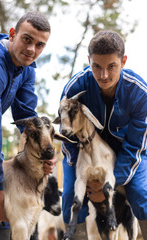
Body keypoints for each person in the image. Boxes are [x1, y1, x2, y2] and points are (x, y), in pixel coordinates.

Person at [60, 30, 147, 239]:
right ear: (89, 60)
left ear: (123, 61)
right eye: (96, 66)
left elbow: (136, 145)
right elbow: (67, 139)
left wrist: (109, 184)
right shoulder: (74, 88)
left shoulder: (139, 92)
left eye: (111, 66)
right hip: (83, 153)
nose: (103, 75)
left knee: (142, 195)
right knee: (70, 195)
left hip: (127, 153)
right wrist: (83, 175)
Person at [0, 11, 57, 240]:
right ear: (12, 34)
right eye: (27, 40)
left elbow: (27, 115)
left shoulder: (26, 68)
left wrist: (47, 152)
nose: (31, 50)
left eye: (39, 45)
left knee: (4, 219)